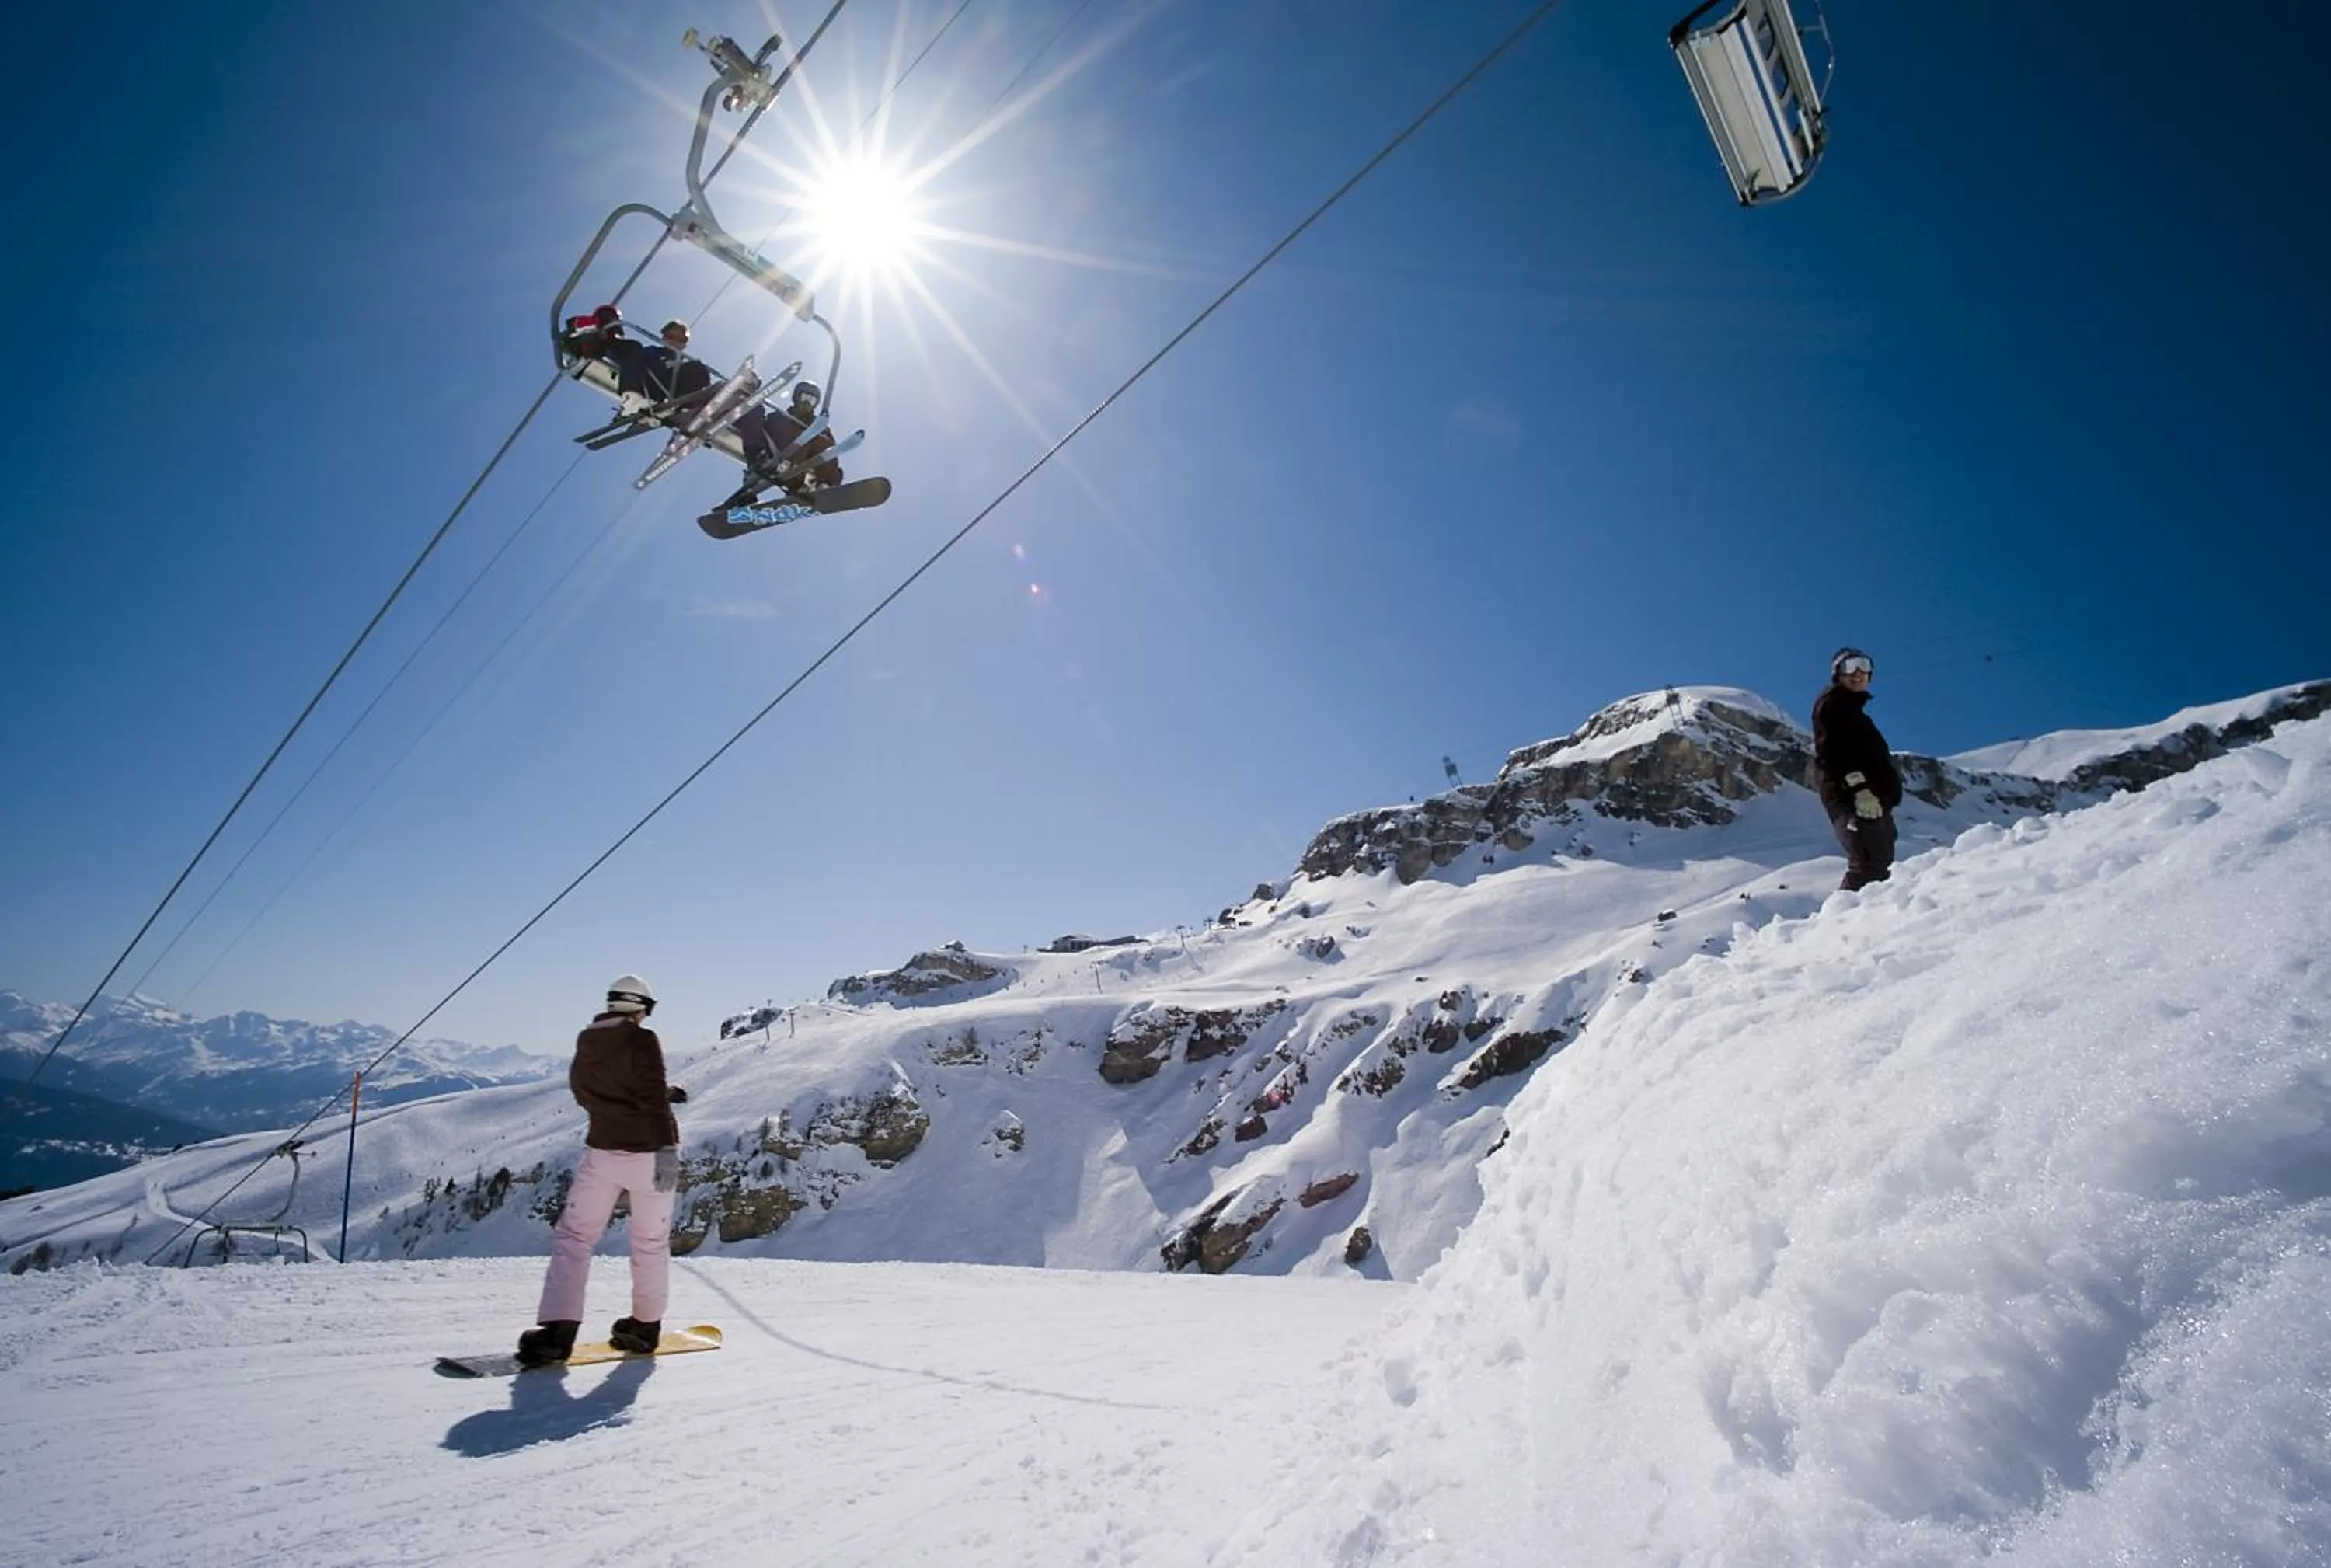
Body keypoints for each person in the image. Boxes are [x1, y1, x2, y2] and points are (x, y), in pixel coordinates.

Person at [516, 974, 691, 1366]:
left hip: (602, 1153)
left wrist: (619, 1110)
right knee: (649, 1242)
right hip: (649, 1156)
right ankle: (645, 1328)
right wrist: (665, 1149)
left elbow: (586, 1090)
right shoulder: (643, 1040)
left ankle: (557, 1333)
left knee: (575, 1238)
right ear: (644, 1007)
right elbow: (649, 1097)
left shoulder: (587, 1038)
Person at [1811, 647, 1903, 892]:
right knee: (1868, 863)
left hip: (1875, 800)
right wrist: (1860, 789)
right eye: (1850, 667)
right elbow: (1833, 753)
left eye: (1864, 666)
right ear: (1837, 674)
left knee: (1880, 862)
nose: (1859, 673)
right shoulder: (1832, 705)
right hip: (1852, 798)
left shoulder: (1858, 716)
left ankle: (1867, 920)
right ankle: (1839, 921)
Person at [559, 307, 714, 416]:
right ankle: (632, 398)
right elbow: (625, 356)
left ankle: (693, 409)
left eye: (682, 339)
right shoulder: (650, 352)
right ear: (664, 337)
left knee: (699, 368)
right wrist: (603, 337)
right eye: (672, 337)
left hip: (672, 392)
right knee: (634, 348)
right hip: (649, 384)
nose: (677, 342)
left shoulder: (684, 365)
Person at [730, 379, 844, 492]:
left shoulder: (816, 427)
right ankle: (757, 466)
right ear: (796, 398)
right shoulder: (778, 417)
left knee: (822, 438)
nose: (807, 403)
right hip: (770, 458)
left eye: (812, 400)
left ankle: (824, 485)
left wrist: (829, 480)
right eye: (804, 397)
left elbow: (827, 451)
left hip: (795, 470)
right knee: (761, 413)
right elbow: (754, 428)